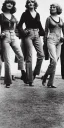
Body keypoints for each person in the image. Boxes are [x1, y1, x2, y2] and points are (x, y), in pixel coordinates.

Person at [17, 0, 45, 86]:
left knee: (41, 55)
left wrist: (42, 32)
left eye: (32, 2)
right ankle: (30, 80)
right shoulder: (24, 14)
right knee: (29, 56)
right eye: (29, 2)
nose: (30, 3)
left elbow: (39, 25)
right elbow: (19, 25)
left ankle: (34, 74)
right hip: (28, 34)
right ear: (27, 4)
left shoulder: (37, 14)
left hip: (37, 34)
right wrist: (24, 33)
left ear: (34, 4)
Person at [0, 0, 26, 88]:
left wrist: (19, 33)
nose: (10, 4)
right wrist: (1, 34)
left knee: (21, 56)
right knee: (7, 59)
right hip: (5, 37)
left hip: (13, 36)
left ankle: (23, 72)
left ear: (13, 6)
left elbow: (18, 28)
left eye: (11, 3)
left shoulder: (14, 16)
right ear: (5, 5)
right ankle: (8, 81)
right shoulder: (1, 16)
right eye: (8, 3)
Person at [41, 3, 64, 88]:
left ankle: (50, 82)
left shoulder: (60, 19)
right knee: (54, 60)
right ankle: (45, 77)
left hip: (59, 41)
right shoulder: (48, 18)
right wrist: (44, 43)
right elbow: (46, 32)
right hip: (51, 40)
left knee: (54, 62)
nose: (51, 8)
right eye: (50, 7)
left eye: (53, 7)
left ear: (57, 8)